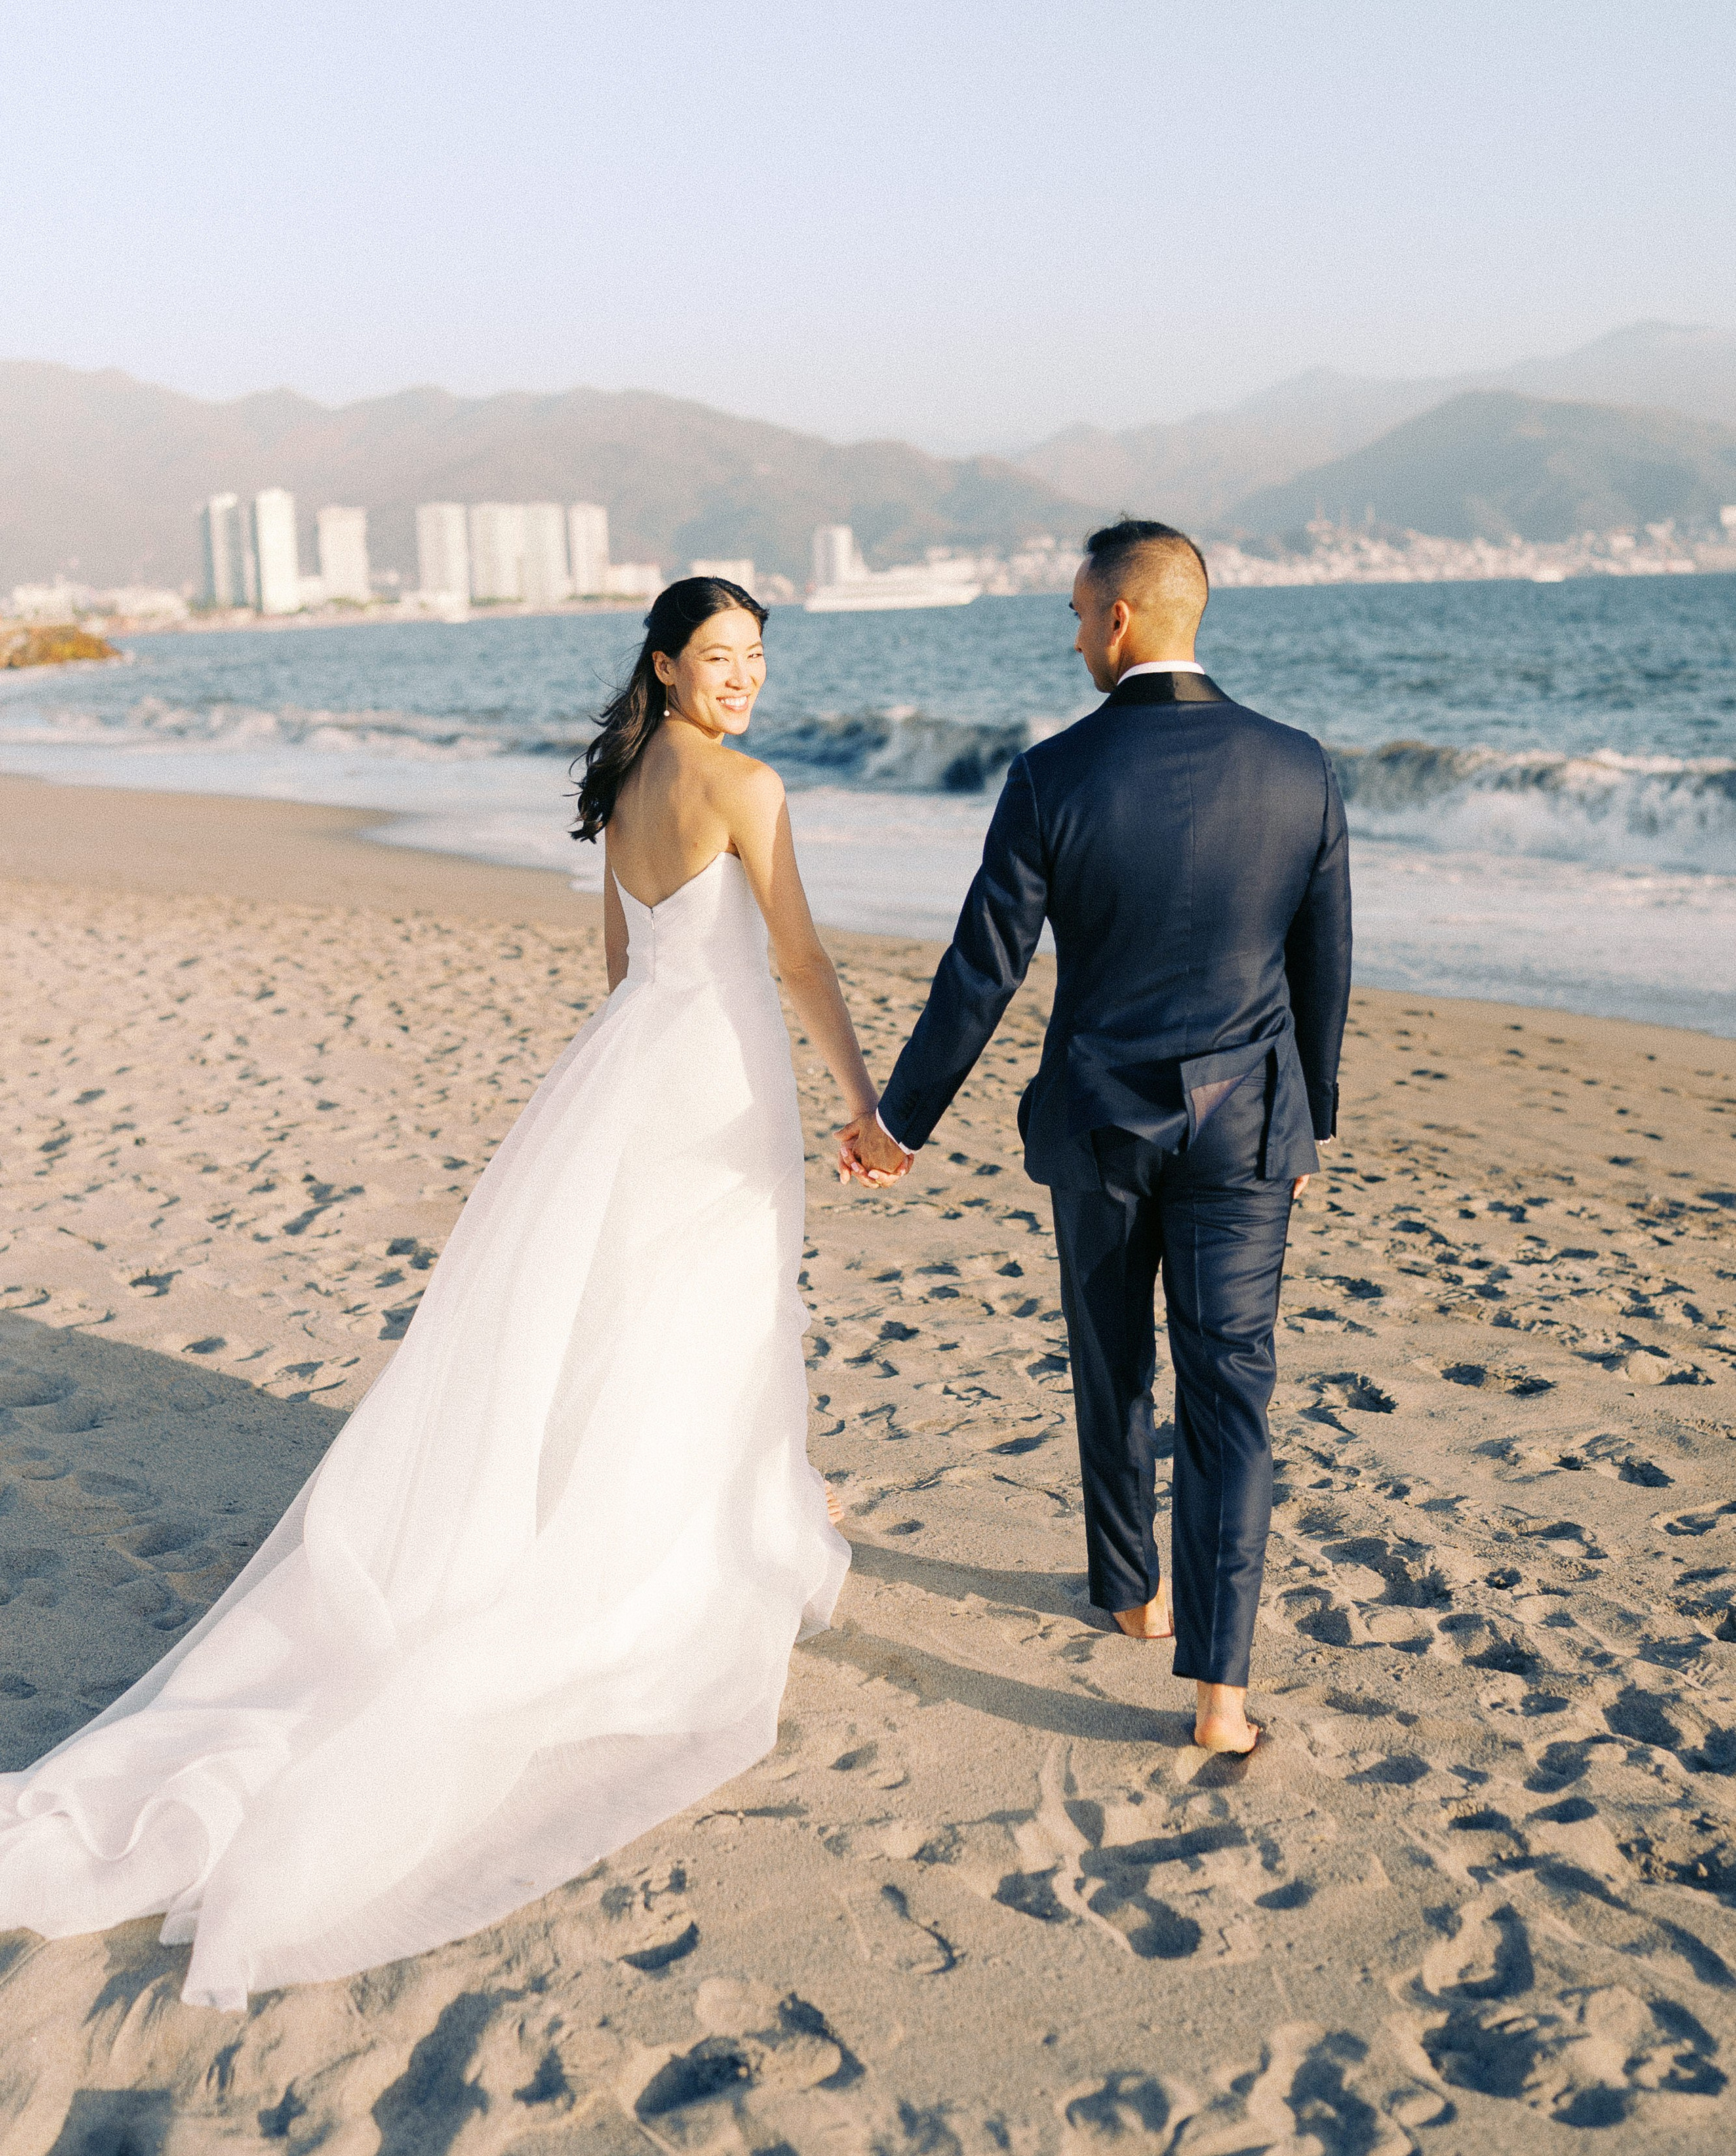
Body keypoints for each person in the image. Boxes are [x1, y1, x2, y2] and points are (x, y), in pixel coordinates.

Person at [0, 579, 873, 2008]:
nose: (743, 682)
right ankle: (689, 1548)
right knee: (701, 1325)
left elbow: (620, 967)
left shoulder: (625, 779)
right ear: (666, 662)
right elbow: (794, 955)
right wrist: (864, 1096)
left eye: (757, 661)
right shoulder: (744, 785)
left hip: (628, 1074)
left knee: (637, 1322)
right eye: (720, 659)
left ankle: (725, 1509)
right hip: (715, 1075)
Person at [842, 520, 1352, 1757]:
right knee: (1233, 1391)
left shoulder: (1052, 777)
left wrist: (900, 1118)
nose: (1074, 637)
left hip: (1102, 1121)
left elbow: (984, 972)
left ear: (1119, 619)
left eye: (1078, 615)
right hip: (1247, 1122)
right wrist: (1306, 1114)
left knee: (1114, 1359)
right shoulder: (1298, 767)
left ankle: (1129, 1593)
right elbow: (1323, 966)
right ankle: (1220, 1696)